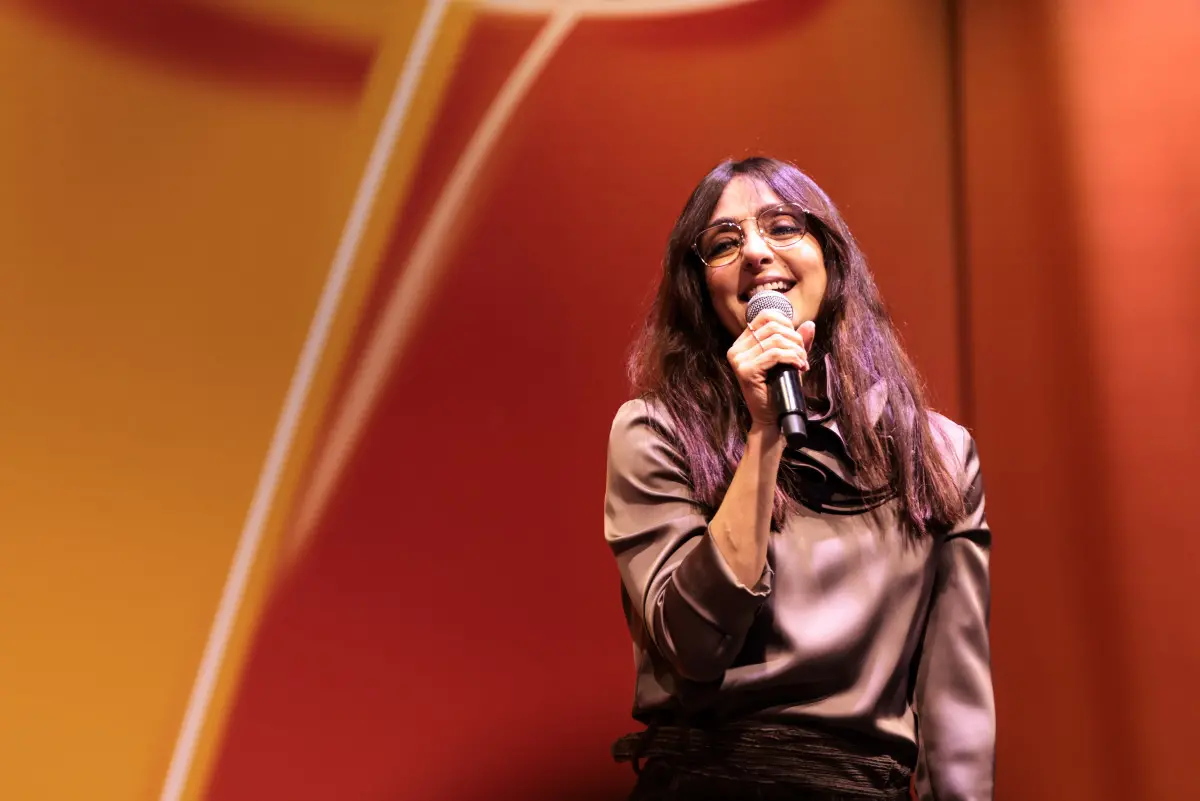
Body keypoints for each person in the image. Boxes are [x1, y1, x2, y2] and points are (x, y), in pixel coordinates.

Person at [604, 156, 994, 800]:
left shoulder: (939, 454)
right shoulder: (655, 432)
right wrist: (764, 436)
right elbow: (694, 644)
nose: (756, 251)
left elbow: (957, 715)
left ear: (831, 258)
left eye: (783, 227)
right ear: (701, 290)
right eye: (724, 244)